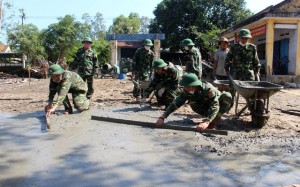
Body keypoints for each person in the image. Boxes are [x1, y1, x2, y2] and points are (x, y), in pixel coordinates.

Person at [155, 73, 232, 132]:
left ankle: (214, 121)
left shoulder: (208, 89)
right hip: (206, 108)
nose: (184, 88)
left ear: (193, 85)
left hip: (218, 106)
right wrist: (162, 117)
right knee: (192, 101)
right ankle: (210, 119)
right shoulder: (187, 91)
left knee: (227, 96)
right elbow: (176, 103)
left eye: (186, 86)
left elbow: (215, 106)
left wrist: (207, 122)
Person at [225, 29, 261, 99]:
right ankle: (229, 106)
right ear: (239, 38)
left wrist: (257, 70)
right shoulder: (234, 47)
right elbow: (227, 59)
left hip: (248, 74)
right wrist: (227, 69)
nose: (244, 40)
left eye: (246, 38)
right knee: (231, 91)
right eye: (242, 38)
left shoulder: (252, 47)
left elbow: (256, 60)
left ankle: (252, 106)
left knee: (251, 92)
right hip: (236, 73)